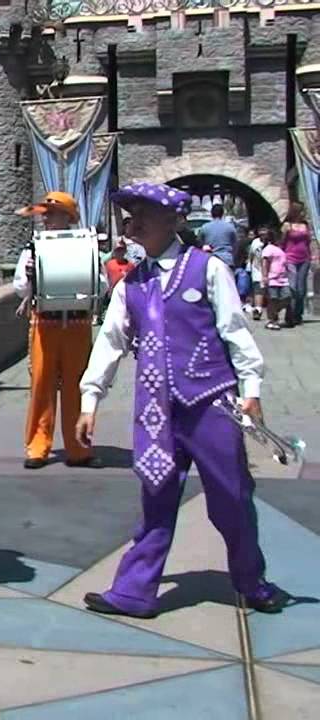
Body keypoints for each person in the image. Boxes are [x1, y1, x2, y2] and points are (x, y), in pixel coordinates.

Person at [75, 181, 288, 619]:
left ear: (172, 220)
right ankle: (134, 591)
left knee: (231, 496)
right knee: (156, 497)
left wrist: (250, 390)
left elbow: (235, 330)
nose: (135, 223)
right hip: (157, 413)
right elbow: (110, 342)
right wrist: (89, 400)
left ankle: (251, 581)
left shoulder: (207, 269)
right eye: (132, 215)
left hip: (211, 404)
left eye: (145, 214)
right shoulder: (131, 285)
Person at [12, 192, 104, 470]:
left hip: (77, 323)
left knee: (78, 387)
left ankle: (79, 449)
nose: (46, 218)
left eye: (51, 213)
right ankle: (37, 447)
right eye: (45, 214)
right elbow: (19, 288)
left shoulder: (84, 245)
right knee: (42, 385)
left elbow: (100, 284)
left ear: (67, 216)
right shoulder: (33, 248)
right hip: (45, 323)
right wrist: (30, 277)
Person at [281, 202, 315, 327]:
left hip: (304, 259)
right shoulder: (287, 225)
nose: (303, 213)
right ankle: (290, 314)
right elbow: (282, 242)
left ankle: (298, 314)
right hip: (290, 258)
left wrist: (312, 256)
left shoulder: (305, 225)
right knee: (292, 287)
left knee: (301, 289)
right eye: (302, 211)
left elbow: (308, 242)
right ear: (296, 211)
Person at [262, 227, 290, 331]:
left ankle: (273, 313)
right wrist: (265, 276)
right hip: (272, 278)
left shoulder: (280, 249)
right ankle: (271, 320)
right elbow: (264, 263)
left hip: (283, 279)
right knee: (273, 299)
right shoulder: (268, 248)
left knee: (287, 297)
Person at [247, 227, 266, 320]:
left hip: (270, 271)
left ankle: (273, 312)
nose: (263, 234)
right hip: (257, 270)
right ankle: (258, 310)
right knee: (258, 290)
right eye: (261, 232)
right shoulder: (255, 242)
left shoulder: (271, 243)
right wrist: (250, 266)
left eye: (264, 232)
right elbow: (251, 255)